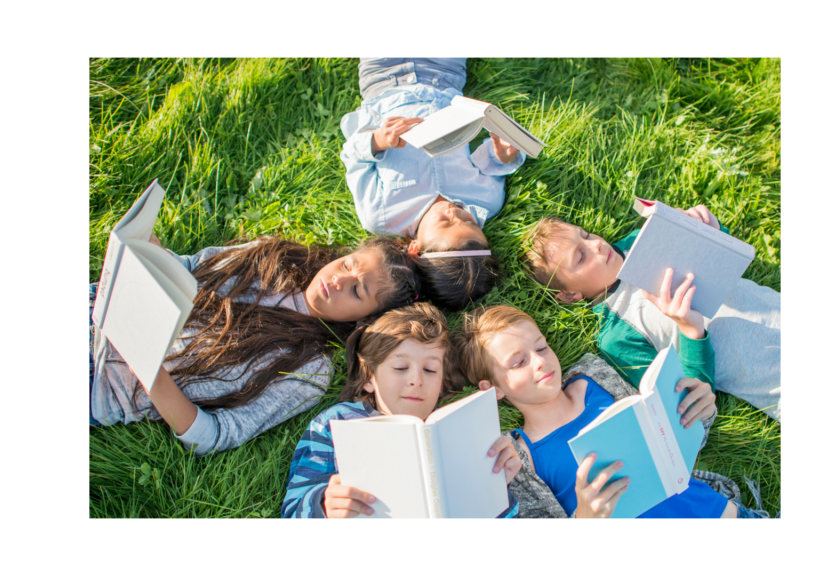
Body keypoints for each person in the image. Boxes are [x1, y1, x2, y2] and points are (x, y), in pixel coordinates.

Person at [89, 234, 421, 455]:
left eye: (357, 291)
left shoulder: (307, 372)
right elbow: (190, 267)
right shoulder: (275, 255)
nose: (338, 279)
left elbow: (215, 434)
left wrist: (148, 370)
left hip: (103, 382)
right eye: (349, 264)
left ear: (363, 320)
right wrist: (149, 249)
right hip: (101, 303)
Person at [456, 305, 769, 519]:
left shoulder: (591, 378)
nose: (539, 362)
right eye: (518, 362)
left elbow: (673, 446)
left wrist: (697, 409)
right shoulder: (517, 459)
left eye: (541, 348)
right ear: (494, 389)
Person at [522, 208, 781, 422]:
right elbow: (688, 404)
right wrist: (691, 331)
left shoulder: (642, 242)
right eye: (580, 257)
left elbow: (725, 259)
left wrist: (710, 232)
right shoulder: (616, 336)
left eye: (586, 235)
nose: (597, 244)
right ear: (570, 295)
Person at [282, 302, 520, 519]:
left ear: (441, 383)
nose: (416, 379)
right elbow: (293, 507)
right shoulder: (337, 422)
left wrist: (497, 489)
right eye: (400, 367)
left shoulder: (456, 429)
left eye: (429, 370)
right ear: (369, 378)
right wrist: (324, 507)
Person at [339, 57, 527, 310]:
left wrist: (376, 141)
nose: (454, 211)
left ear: (415, 249)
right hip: (444, 77)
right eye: (469, 221)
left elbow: (353, 159)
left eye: (446, 223)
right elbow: (492, 161)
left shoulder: (381, 216)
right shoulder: (486, 201)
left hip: (383, 82)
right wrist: (504, 155)